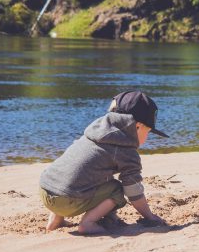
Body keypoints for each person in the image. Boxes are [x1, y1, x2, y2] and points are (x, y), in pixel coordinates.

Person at [39, 90, 168, 235]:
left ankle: (55, 220)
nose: (147, 138)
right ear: (137, 126)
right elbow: (134, 191)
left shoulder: (93, 133)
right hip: (67, 200)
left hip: (45, 190)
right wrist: (149, 216)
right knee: (117, 189)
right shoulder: (126, 152)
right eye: (148, 132)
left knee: (77, 177)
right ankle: (88, 223)